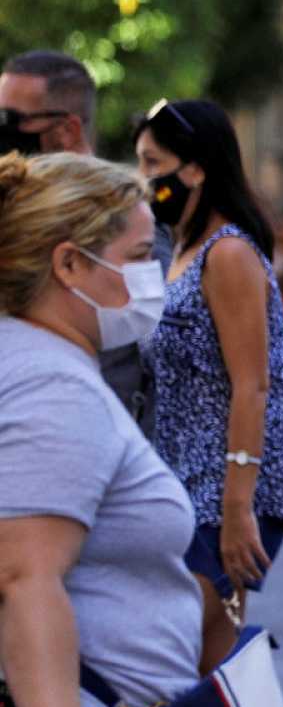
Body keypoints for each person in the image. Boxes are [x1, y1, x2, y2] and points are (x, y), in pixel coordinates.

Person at [0, 152, 202, 707]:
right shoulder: (50, 383)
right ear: (69, 265)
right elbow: (24, 574)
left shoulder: (36, 362)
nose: (153, 278)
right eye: (140, 254)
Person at [133, 99, 283, 674]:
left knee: (194, 667)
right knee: (194, 670)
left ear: (196, 168)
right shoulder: (182, 251)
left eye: (154, 163)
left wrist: (236, 506)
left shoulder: (226, 253)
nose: (144, 179)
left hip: (223, 487)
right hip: (181, 479)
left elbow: (253, 384)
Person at [1, 51, 170, 440]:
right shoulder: (20, 208)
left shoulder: (126, 217)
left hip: (104, 425)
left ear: (67, 130)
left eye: (13, 120)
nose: (5, 132)